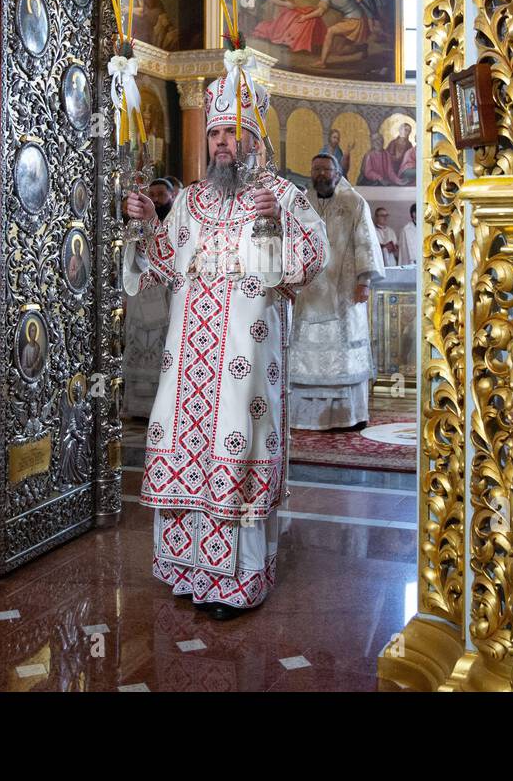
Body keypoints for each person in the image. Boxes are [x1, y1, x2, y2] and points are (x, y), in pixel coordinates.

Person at [122, 65, 329, 619]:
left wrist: (279, 225)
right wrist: (147, 223)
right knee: (183, 443)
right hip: (188, 355)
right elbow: (162, 264)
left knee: (238, 444)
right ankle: (186, 569)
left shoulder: (281, 195)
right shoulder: (192, 200)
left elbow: (313, 260)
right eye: (214, 133)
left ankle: (237, 581)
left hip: (245, 355)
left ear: (254, 139)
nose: (221, 142)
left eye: (232, 133)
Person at [291, 152, 384, 431]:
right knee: (304, 353)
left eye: (326, 169)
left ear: (337, 173)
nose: (321, 174)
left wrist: (364, 281)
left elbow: (365, 242)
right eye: (316, 169)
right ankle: (303, 417)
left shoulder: (354, 202)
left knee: (343, 354)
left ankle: (347, 416)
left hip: (344, 292)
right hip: (307, 292)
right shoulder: (301, 204)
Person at [122, 179, 176, 418]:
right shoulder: (138, 223)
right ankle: (137, 407)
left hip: (166, 296)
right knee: (140, 343)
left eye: (161, 194)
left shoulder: (175, 221)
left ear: (172, 196)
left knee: (160, 346)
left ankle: (160, 407)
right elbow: (132, 259)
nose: (156, 198)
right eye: (152, 194)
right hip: (141, 295)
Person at [298, 0, 370, 67]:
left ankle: (322, 62)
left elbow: (320, 12)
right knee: (339, 49)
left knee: (330, 32)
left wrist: (305, 17)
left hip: (355, 20)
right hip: (360, 16)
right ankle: (362, 47)